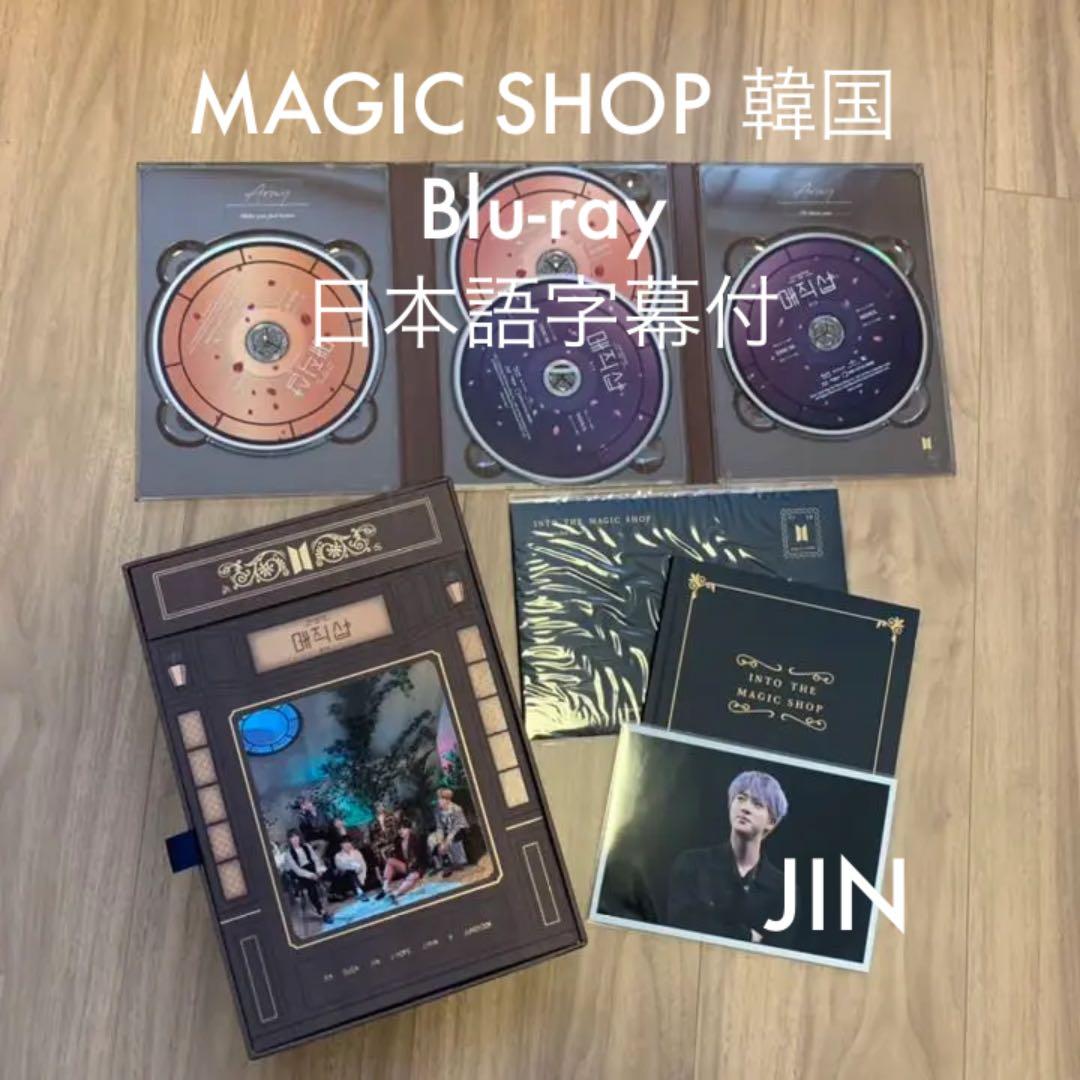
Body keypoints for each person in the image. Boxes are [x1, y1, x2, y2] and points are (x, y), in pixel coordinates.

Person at [667, 770, 790, 946]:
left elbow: (779, 951)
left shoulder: (783, 890)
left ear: (771, 822)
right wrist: (746, 936)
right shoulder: (692, 864)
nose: (745, 808)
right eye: (740, 798)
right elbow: (681, 924)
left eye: (757, 804)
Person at [282, 829, 333, 924]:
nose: (295, 839)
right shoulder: (288, 854)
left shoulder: (306, 846)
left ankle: (332, 896)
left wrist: (318, 870)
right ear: (289, 840)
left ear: (299, 837)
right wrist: (311, 875)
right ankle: (322, 911)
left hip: (312, 868)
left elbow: (315, 859)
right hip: (302, 873)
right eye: (292, 837)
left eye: (296, 836)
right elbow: (297, 870)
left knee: (329, 873)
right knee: (311, 887)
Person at [427, 788, 469, 876]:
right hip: (446, 832)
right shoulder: (437, 811)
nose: (438, 801)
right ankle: (443, 863)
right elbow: (439, 827)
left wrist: (447, 840)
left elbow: (458, 826)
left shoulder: (456, 809)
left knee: (449, 841)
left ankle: (456, 862)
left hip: (457, 832)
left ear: (447, 800)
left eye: (440, 799)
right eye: (438, 799)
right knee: (431, 838)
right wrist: (440, 841)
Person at [386, 816, 426, 899]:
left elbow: (422, 857)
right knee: (390, 860)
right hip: (407, 867)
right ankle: (385, 886)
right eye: (399, 829)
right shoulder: (398, 841)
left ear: (409, 829)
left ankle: (397, 893)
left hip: (417, 868)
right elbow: (399, 859)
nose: (401, 831)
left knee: (412, 876)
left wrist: (419, 871)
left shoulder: (416, 839)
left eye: (403, 828)